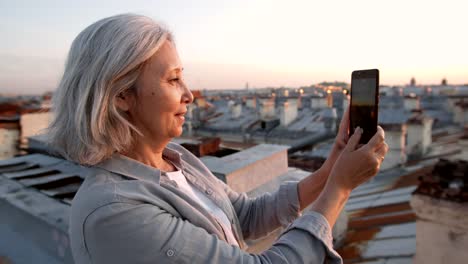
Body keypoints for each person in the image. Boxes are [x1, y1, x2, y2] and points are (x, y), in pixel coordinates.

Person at [47, 13, 388, 264]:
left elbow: (246, 216)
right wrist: (339, 190)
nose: (189, 95)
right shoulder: (115, 211)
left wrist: (332, 167)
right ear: (122, 94)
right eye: (173, 79)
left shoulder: (177, 159)